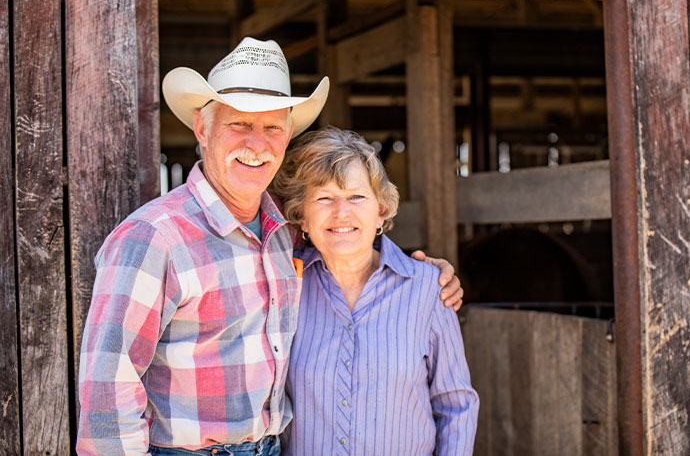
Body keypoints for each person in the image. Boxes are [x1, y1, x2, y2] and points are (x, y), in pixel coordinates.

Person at [76, 37, 463, 456]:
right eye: (240, 123)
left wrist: (418, 272)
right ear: (202, 128)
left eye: (272, 127)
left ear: (288, 133)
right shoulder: (154, 237)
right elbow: (107, 391)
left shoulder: (284, 232)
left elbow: (345, 234)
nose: (257, 144)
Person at [272, 127, 479, 455]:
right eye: (324, 198)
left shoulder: (427, 289)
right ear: (302, 216)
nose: (342, 212)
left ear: (381, 210)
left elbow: (456, 406)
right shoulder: (283, 286)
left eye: (357, 196)